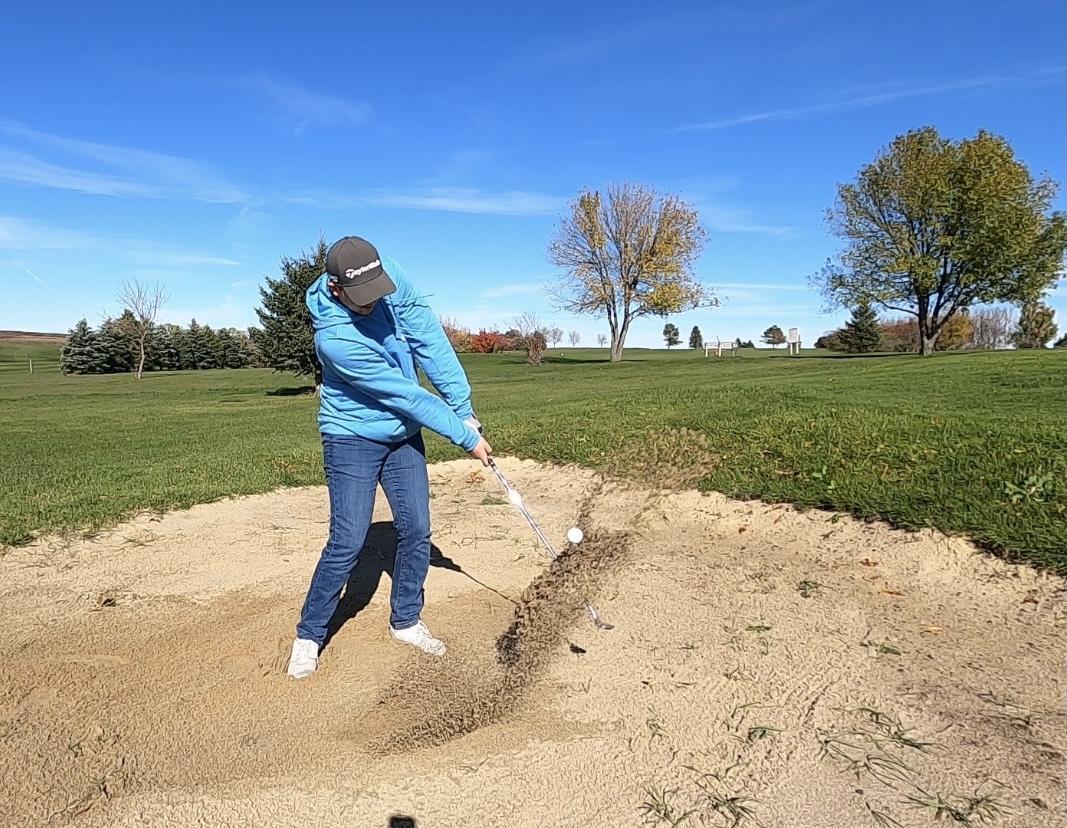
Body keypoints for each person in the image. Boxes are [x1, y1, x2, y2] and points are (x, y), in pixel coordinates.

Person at [286, 236, 492, 679]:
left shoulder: (387, 276)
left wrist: (463, 407)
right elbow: (405, 395)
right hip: (351, 436)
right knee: (347, 542)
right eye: (361, 300)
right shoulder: (335, 340)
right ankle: (309, 634)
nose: (373, 304)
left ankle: (406, 620)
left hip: (401, 436)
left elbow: (428, 340)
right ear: (337, 289)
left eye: (377, 292)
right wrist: (464, 437)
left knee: (416, 528)